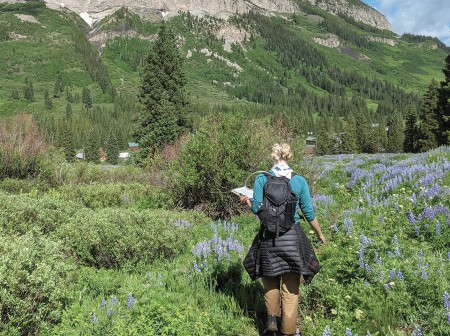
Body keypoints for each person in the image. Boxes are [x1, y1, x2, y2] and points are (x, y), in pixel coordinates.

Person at [240, 143, 326, 336]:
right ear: (289, 156)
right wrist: (320, 234)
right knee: (291, 289)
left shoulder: (262, 179)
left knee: (270, 283)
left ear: (273, 156)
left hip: (268, 239)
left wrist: (248, 202)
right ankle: (288, 331)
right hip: (292, 240)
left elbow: (257, 209)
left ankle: (271, 323)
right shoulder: (300, 181)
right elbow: (309, 212)